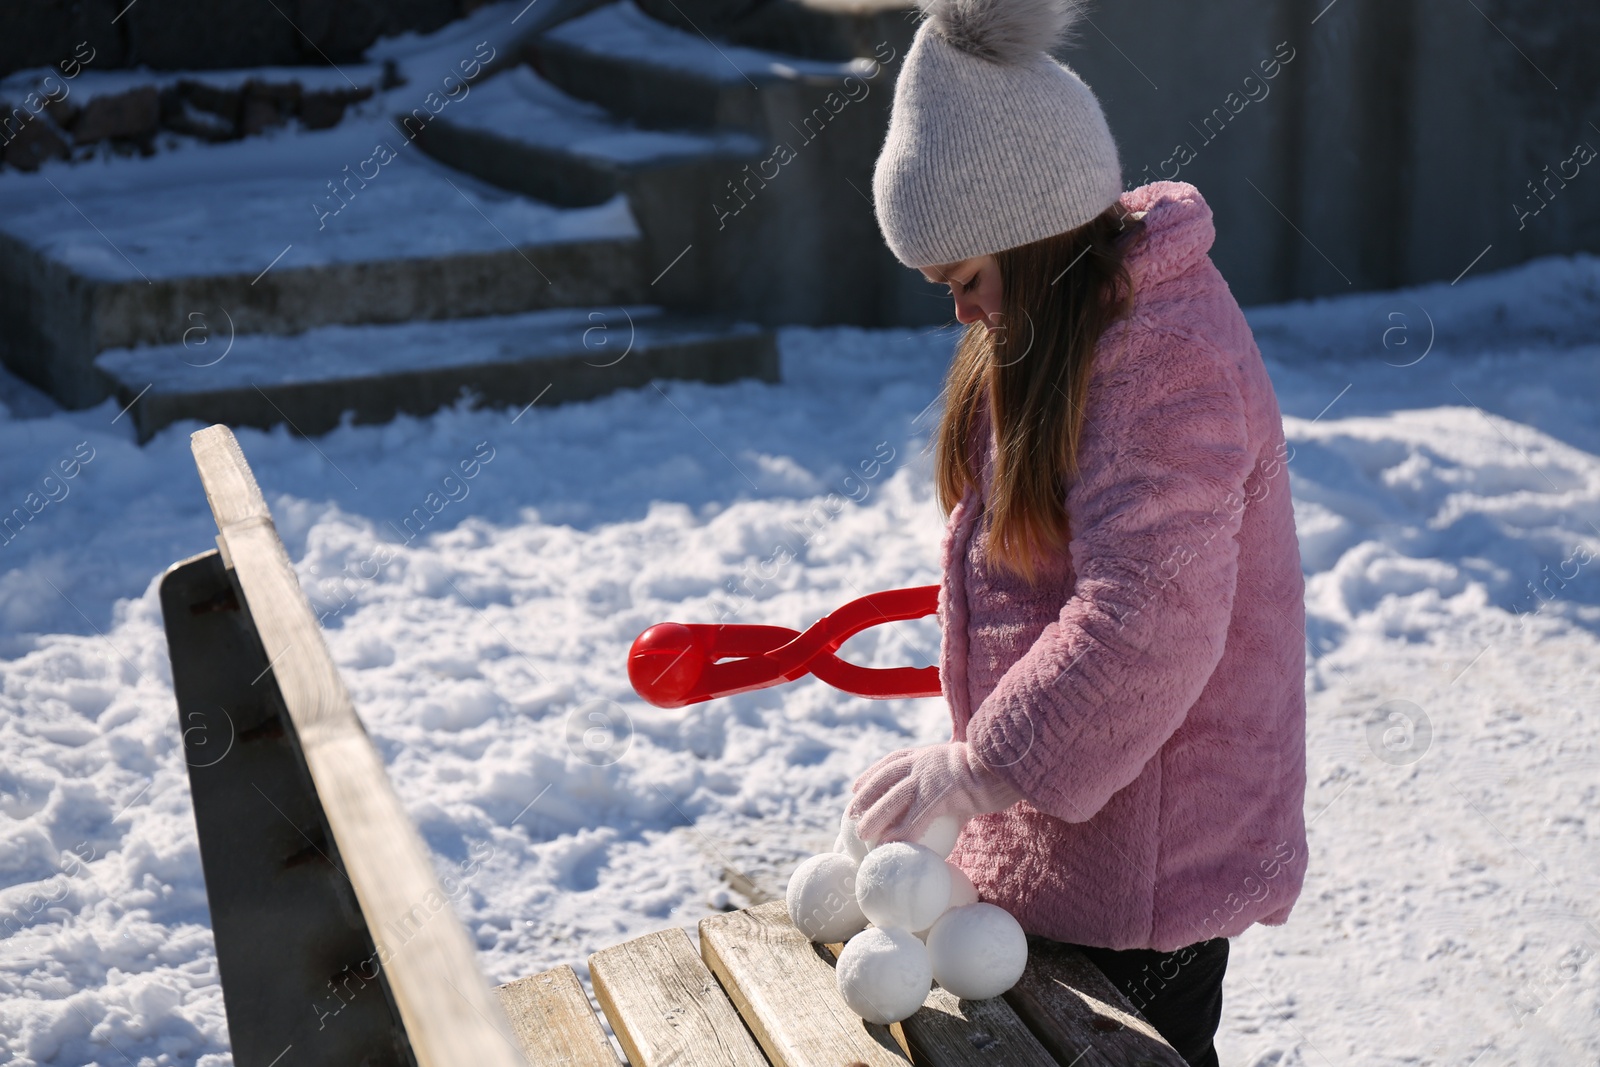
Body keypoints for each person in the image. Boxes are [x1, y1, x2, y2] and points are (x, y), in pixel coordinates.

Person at [845, 1, 1309, 1063]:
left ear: (1031, 229)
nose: (960, 313)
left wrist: (977, 769)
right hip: (1075, 841)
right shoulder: (1068, 321)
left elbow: (1146, 616)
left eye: (965, 279)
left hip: (1153, 870)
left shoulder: (1158, 357)